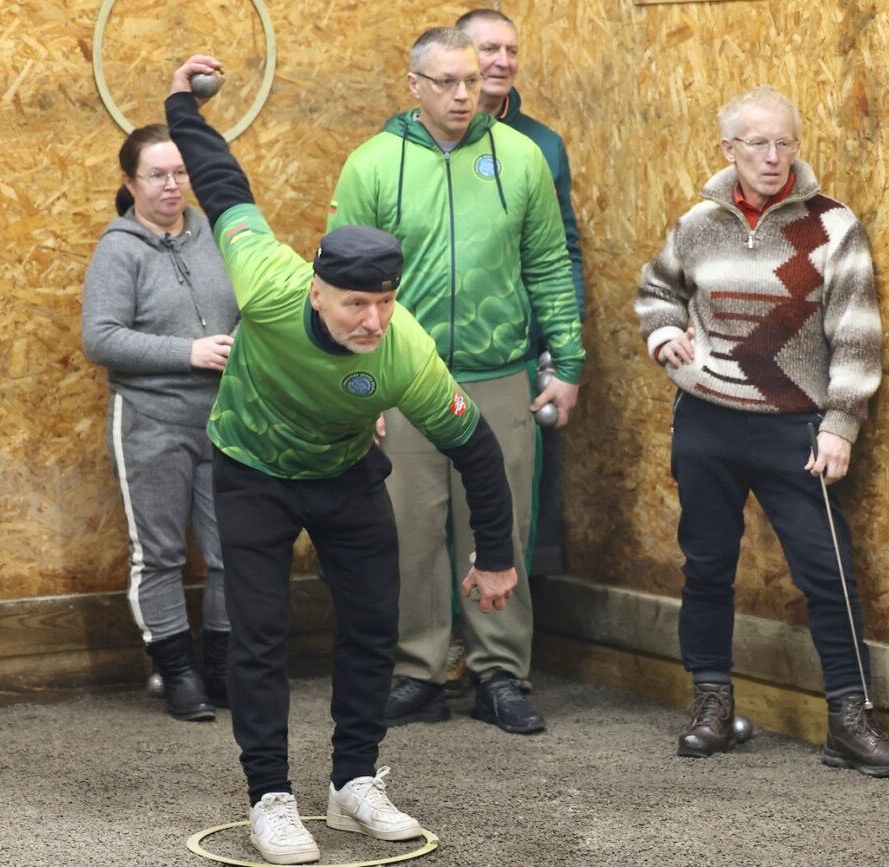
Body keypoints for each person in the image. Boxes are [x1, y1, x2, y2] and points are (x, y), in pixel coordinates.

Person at [166, 55, 522, 865]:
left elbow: (475, 447)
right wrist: (182, 106)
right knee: (260, 635)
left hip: (343, 472)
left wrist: (496, 555)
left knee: (371, 624)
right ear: (317, 292)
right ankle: (269, 796)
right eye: (356, 303)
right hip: (252, 469)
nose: (372, 320)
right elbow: (223, 184)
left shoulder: (405, 351)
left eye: (384, 302)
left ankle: (353, 782)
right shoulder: (266, 281)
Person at [634, 86, 889, 777]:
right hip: (706, 422)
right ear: (728, 149)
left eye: (784, 142)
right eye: (757, 143)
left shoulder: (832, 227)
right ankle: (712, 704)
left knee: (829, 572)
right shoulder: (699, 223)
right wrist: (664, 333)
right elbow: (657, 290)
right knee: (707, 568)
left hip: (796, 428)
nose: (772, 156)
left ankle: (849, 722)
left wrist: (841, 425)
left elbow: (857, 335)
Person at [327, 27, 584, 735]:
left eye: (472, 79)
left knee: (500, 526)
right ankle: (418, 671)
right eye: (447, 82)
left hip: (498, 375)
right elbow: (341, 287)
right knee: (407, 529)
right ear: (415, 85)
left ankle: (500, 672)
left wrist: (566, 364)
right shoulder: (372, 165)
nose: (464, 94)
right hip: (403, 378)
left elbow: (549, 266)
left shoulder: (522, 158)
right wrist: (355, 387)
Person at [82, 124, 238, 722]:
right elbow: (101, 338)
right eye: (157, 175)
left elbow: (249, 304)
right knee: (160, 554)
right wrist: (188, 352)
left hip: (222, 420)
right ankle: (178, 672)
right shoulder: (118, 250)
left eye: (179, 173)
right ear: (130, 182)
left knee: (231, 551)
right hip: (150, 420)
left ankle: (222, 667)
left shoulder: (213, 233)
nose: (172, 185)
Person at [455, 8, 586, 583]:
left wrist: (561, 353)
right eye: (488, 49)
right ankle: (440, 628)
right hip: (430, 353)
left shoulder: (542, 145)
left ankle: (507, 624)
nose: (502, 61)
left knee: (510, 499)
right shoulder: (410, 141)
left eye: (511, 50)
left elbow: (563, 255)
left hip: (516, 355)